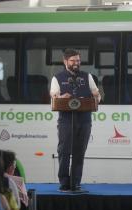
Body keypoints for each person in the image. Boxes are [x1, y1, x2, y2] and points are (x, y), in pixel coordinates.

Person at [50, 48, 101, 192]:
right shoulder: (57, 78)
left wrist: (96, 96)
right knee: (64, 151)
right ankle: (64, 183)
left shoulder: (87, 76)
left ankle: (75, 183)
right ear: (65, 61)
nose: (76, 63)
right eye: (73, 61)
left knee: (79, 152)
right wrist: (61, 98)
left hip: (84, 120)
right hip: (66, 121)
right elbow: (54, 97)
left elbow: (96, 95)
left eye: (78, 60)